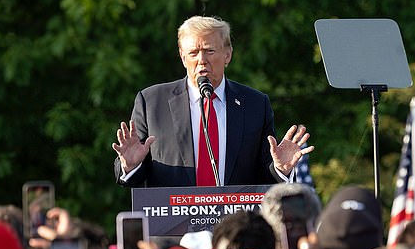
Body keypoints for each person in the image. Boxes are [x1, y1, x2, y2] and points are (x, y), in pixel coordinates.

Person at [113, 15, 313, 187]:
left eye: (209, 51)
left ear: (227, 55)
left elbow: (263, 177)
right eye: (193, 53)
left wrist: (281, 169)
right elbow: (132, 178)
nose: (201, 60)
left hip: (234, 226)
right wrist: (130, 165)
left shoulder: (255, 104)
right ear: (183, 58)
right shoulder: (151, 102)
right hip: (171, 228)